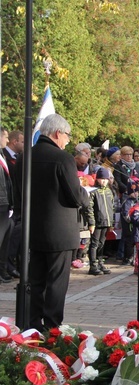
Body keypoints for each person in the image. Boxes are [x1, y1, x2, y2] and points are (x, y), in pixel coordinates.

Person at [15, 114, 89, 330]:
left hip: (33, 229)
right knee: (56, 282)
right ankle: (52, 327)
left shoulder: (23, 156)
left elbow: (17, 194)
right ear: (58, 133)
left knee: (36, 280)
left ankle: (32, 325)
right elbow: (76, 196)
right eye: (67, 135)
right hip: (60, 232)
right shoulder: (62, 158)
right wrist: (85, 193)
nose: (67, 140)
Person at [87, 168, 115, 276]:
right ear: (97, 179)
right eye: (101, 179)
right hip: (97, 222)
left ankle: (100, 262)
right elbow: (89, 208)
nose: (104, 181)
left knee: (102, 243)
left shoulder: (109, 191)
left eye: (106, 179)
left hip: (106, 221)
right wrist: (91, 223)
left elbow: (112, 207)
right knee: (94, 243)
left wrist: (111, 223)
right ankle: (93, 265)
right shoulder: (94, 192)